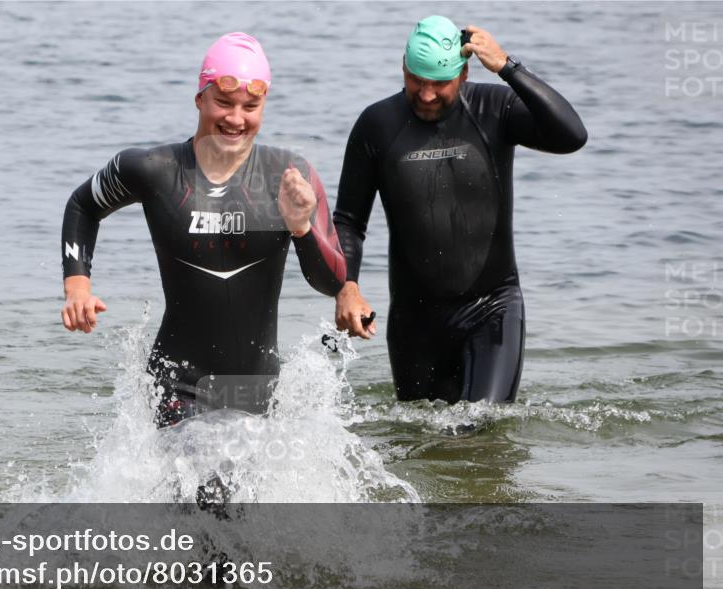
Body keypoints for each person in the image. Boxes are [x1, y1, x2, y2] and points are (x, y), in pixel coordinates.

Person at [62, 32, 346, 427]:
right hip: (177, 381)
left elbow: (332, 280)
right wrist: (78, 285)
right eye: (224, 102)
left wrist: (301, 227)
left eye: (251, 106)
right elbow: (83, 205)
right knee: (205, 477)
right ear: (200, 98)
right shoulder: (154, 169)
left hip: (257, 386)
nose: (235, 118)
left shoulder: (287, 175)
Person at [333, 16, 587, 404]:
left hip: (493, 309)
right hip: (414, 321)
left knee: (479, 428)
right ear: (403, 66)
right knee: (421, 446)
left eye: (440, 83)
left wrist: (507, 67)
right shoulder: (377, 125)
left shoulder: (494, 108)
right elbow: (349, 222)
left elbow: (572, 135)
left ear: (464, 73)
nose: (427, 94)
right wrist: (347, 286)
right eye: (417, 79)